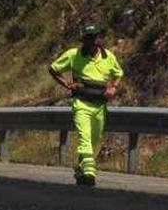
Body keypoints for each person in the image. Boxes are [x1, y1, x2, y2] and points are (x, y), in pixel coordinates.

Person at [48, 24, 124, 187]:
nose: (91, 41)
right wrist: (67, 84)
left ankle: (81, 169)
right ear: (84, 40)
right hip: (81, 103)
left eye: (94, 37)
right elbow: (53, 69)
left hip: (99, 106)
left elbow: (118, 73)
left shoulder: (108, 57)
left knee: (94, 139)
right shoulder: (73, 55)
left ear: (99, 39)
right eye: (88, 38)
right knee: (84, 138)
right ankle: (90, 173)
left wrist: (113, 88)